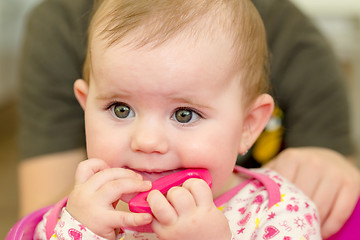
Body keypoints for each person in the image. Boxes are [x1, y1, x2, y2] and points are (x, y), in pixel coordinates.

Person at [17, 0, 359, 238]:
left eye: (184, 114)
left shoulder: (281, 212)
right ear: (85, 105)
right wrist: (79, 230)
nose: (146, 141)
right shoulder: (76, 213)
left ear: (248, 125)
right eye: (121, 109)